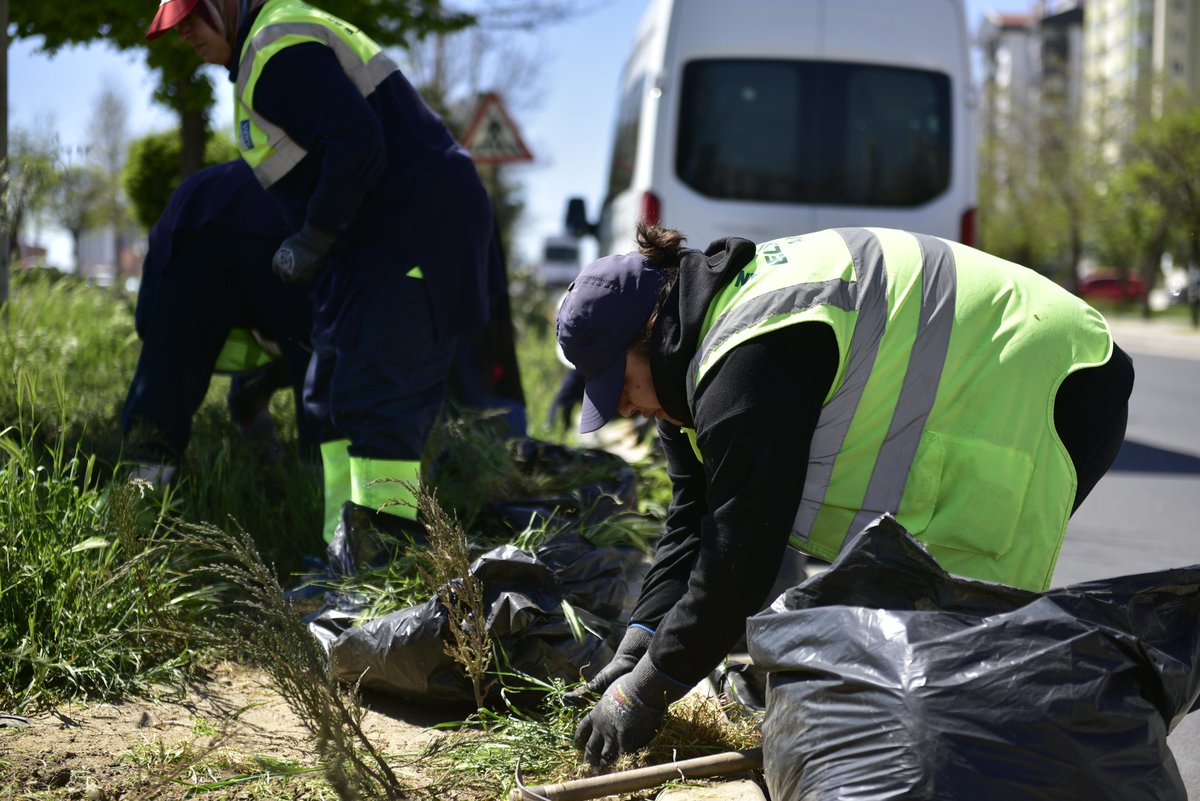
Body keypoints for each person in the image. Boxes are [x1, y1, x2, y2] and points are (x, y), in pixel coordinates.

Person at [556, 223, 1135, 765]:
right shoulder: (690, 364)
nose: (625, 408)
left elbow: (739, 558)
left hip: (1047, 380)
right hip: (1018, 372)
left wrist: (649, 691)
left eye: (622, 386)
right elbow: (692, 521)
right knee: (916, 656)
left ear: (651, 335)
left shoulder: (746, 359)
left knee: (961, 658)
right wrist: (641, 638)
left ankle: (1076, 732)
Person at [146, 0, 498, 545]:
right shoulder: (262, 54)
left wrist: (312, 236)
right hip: (364, 243)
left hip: (408, 232)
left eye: (192, 16)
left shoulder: (275, 48)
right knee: (331, 397)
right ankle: (346, 554)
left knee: (378, 402)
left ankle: (390, 560)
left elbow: (356, 140)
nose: (184, 33)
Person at [122, 159, 316, 485]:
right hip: (280, 224)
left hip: (195, 212)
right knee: (318, 354)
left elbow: (152, 328)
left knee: (167, 365)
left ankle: (141, 490)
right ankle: (322, 494)